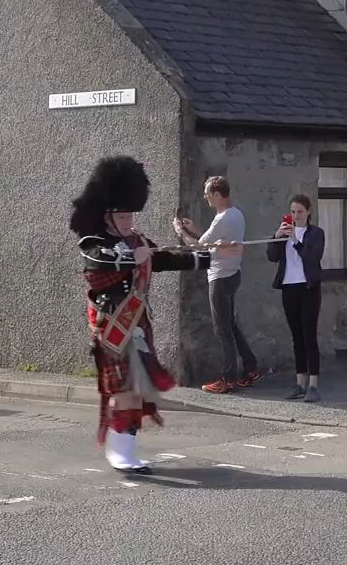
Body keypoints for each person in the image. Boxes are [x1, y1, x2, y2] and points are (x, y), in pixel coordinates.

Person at [74, 156, 199, 473]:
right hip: (112, 327)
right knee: (124, 389)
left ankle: (126, 451)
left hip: (138, 326)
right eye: (123, 214)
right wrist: (131, 257)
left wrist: (206, 256)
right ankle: (120, 453)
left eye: (131, 213)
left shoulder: (138, 240)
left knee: (137, 389)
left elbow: (165, 259)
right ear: (108, 216)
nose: (130, 219)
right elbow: (98, 265)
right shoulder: (94, 242)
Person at [172, 175, 261, 394]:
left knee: (223, 330)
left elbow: (198, 247)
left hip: (220, 278)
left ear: (218, 194)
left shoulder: (223, 218)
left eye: (208, 193)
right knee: (230, 325)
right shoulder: (234, 214)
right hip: (232, 275)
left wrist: (181, 232)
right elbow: (210, 241)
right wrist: (195, 229)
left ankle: (228, 379)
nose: (205, 197)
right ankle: (250, 368)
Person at [268, 194, 327, 402]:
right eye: (293, 212)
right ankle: (299, 382)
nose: (296, 216)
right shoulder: (285, 231)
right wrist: (277, 236)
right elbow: (272, 256)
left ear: (308, 212)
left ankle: (313, 384)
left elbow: (312, 257)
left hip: (308, 287)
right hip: (289, 286)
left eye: (300, 212)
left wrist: (295, 240)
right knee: (296, 337)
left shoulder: (316, 233)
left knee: (309, 335)